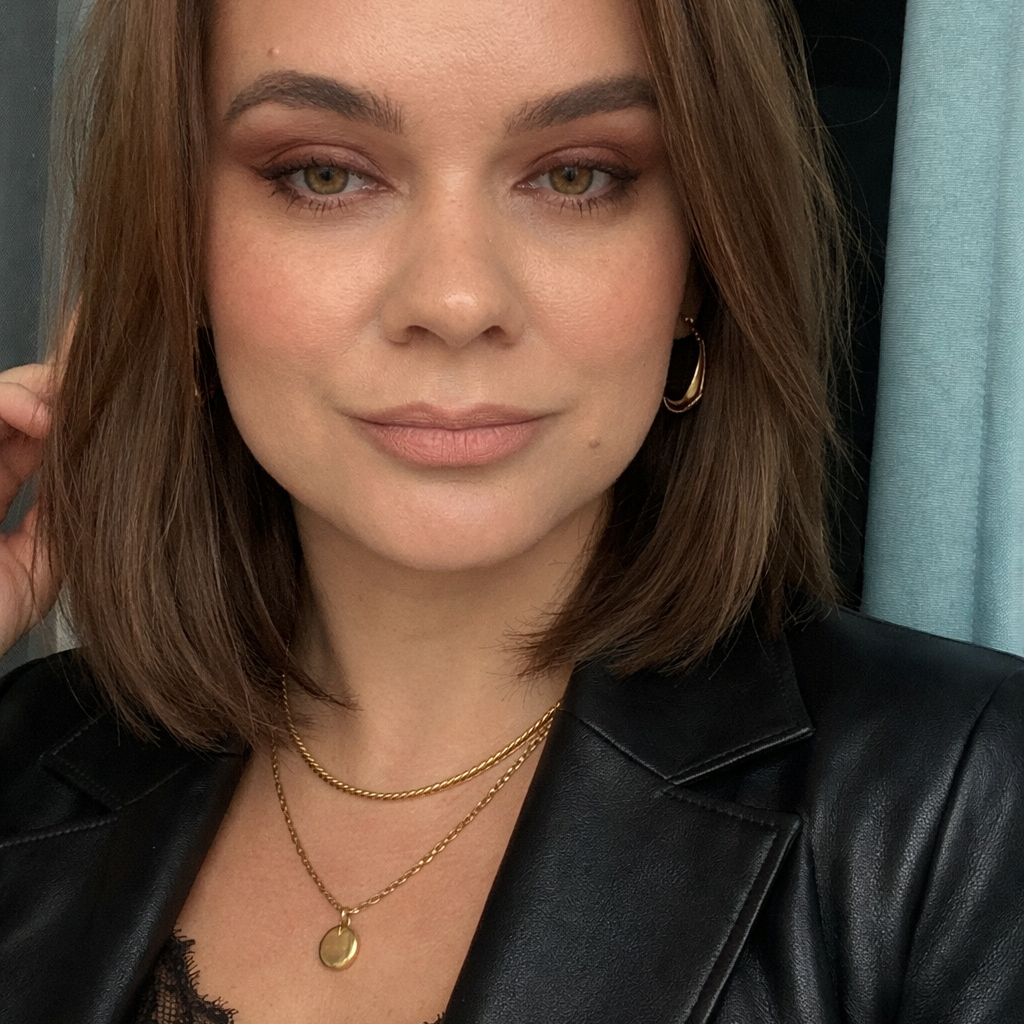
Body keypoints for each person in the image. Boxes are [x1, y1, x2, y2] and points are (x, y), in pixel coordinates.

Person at [0, 0, 1021, 1021]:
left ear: (701, 263)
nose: (456, 303)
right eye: (324, 175)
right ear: (180, 247)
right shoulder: (21, 755)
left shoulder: (961, 805)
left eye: (576, 176)